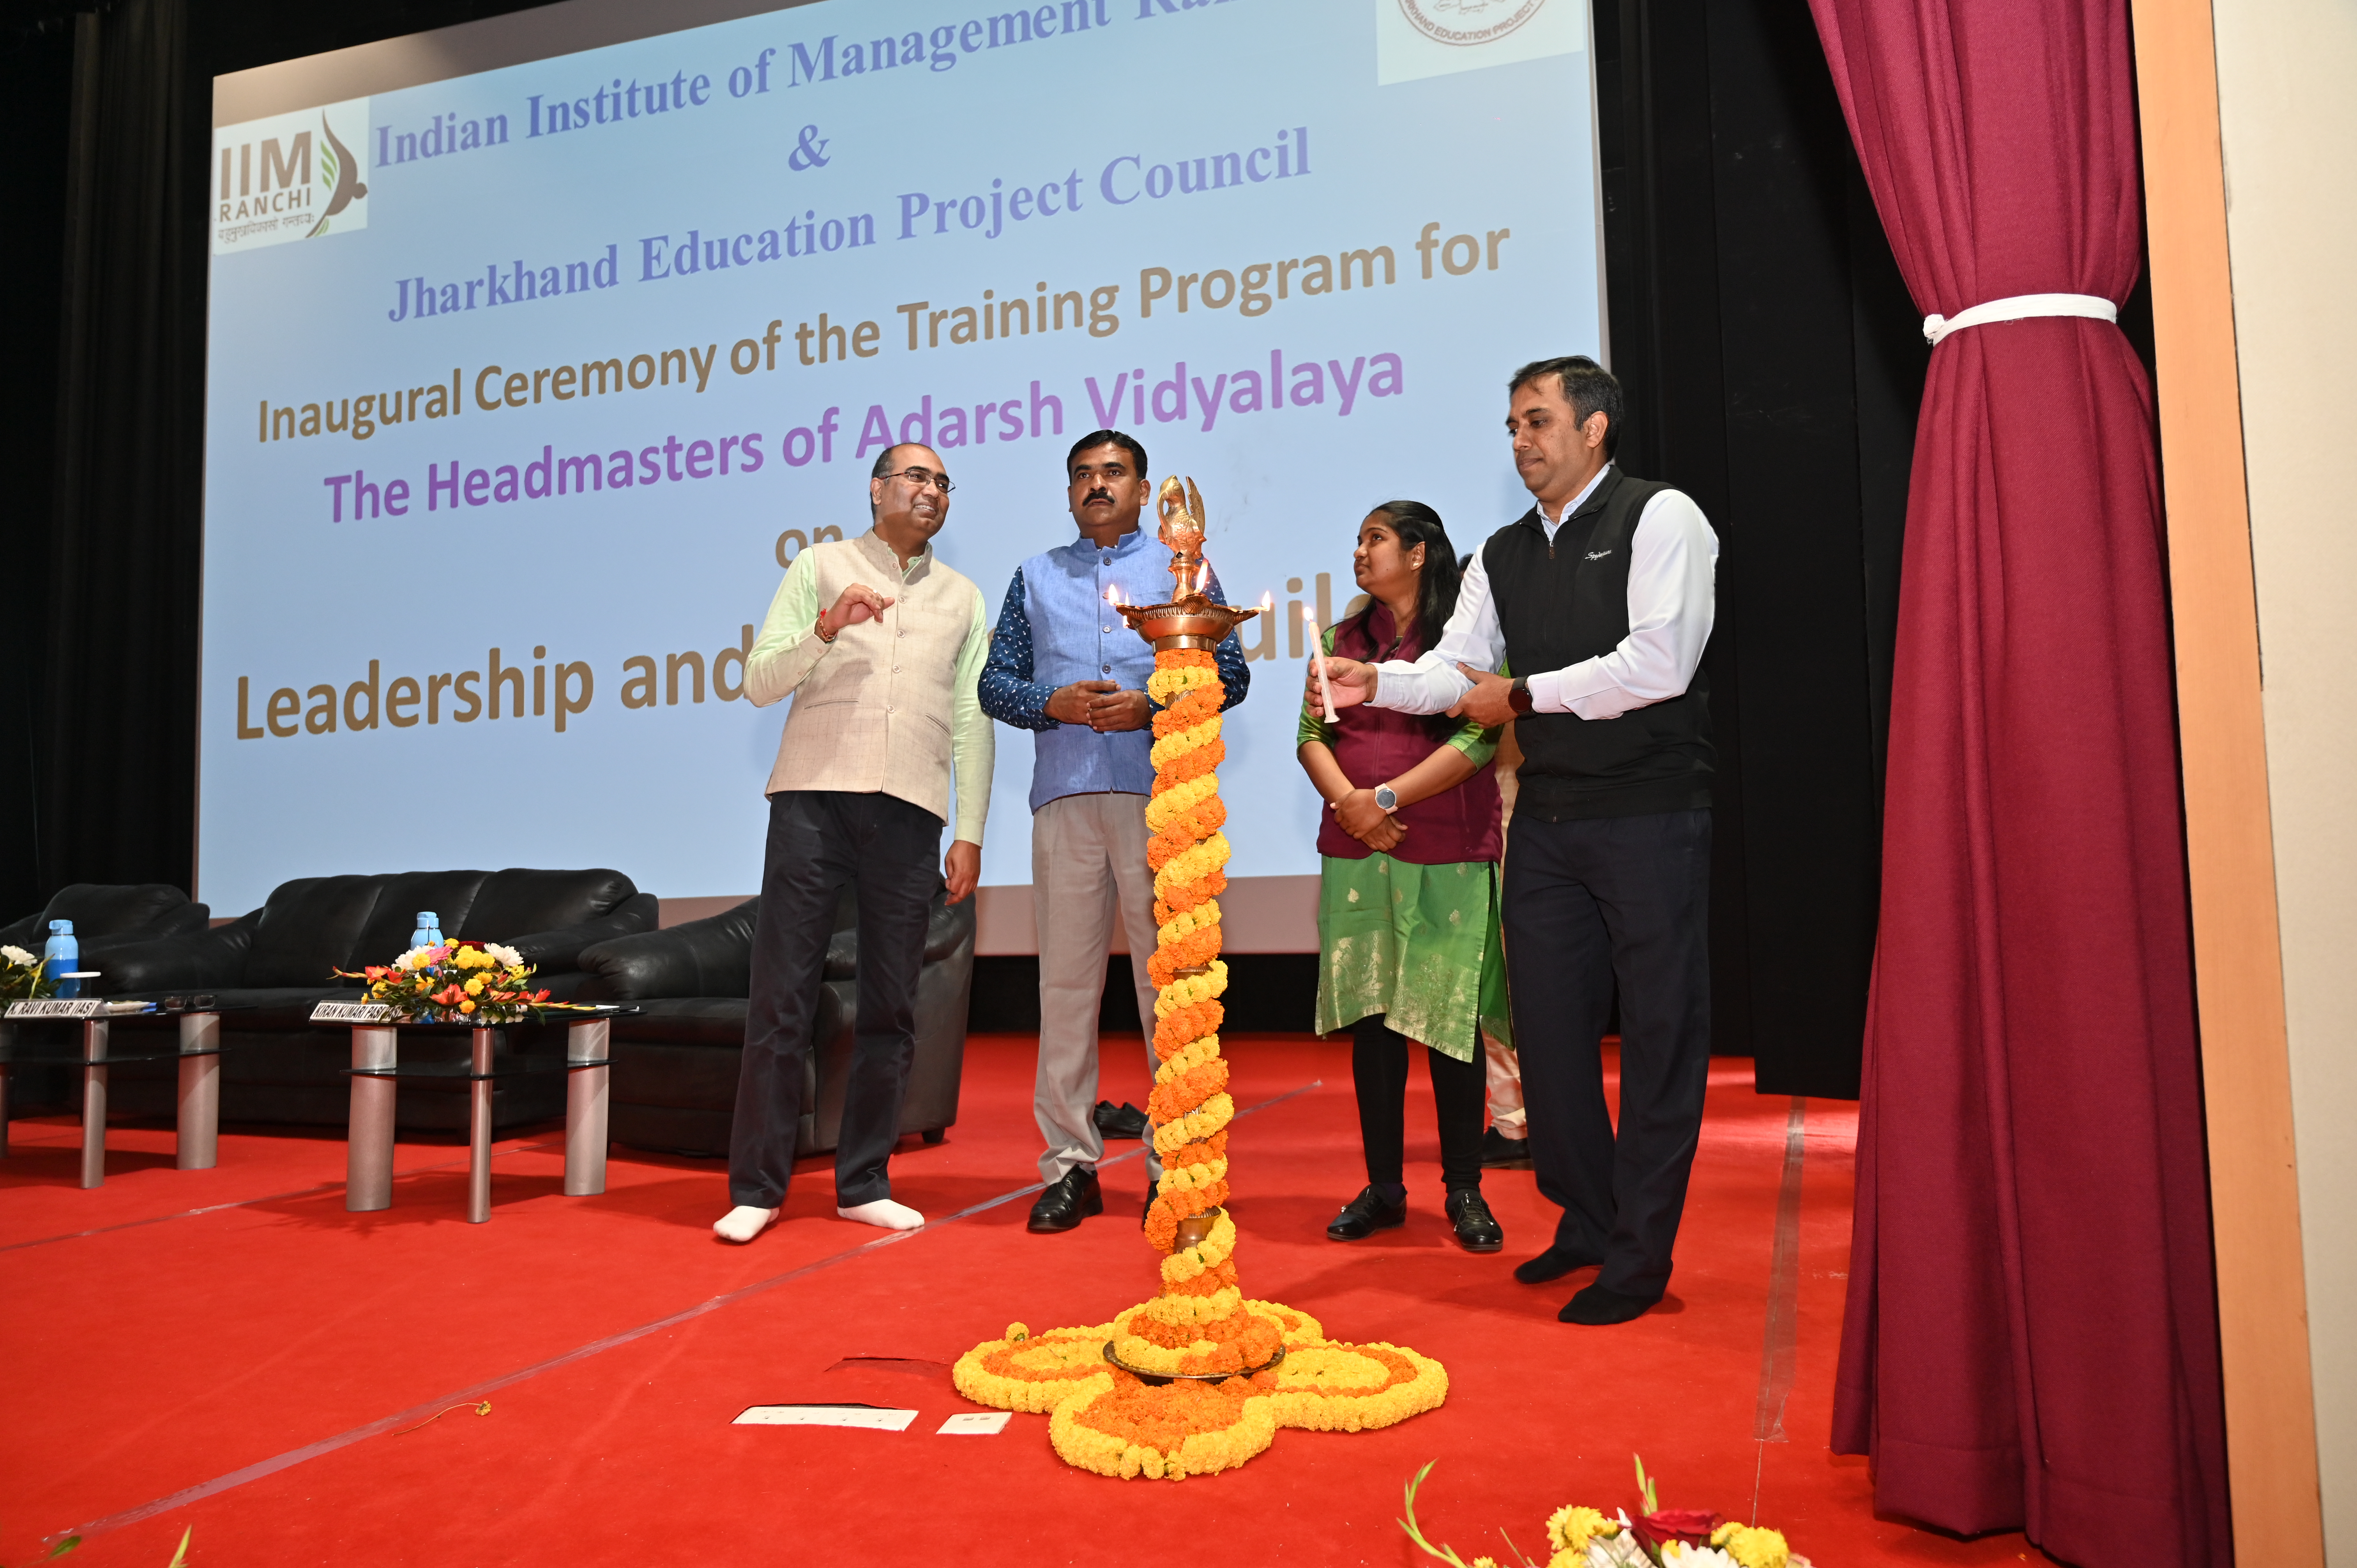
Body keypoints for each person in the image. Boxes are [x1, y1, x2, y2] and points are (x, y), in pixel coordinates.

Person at [1314, 357, 1718, 1324]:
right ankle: (1586, 1218)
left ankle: (1638, 1252)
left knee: (1661, 1033)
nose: (1521, 441)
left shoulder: (1663, 518)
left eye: (1537, 421)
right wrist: (1384, 684)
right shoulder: (1502, 550)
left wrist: (1527, 694)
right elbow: (1459, 668)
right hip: (1549, 819)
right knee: (1545, 1028)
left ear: (1594, 430)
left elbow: (1660, 661)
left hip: (1651, 810)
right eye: (1510, 426)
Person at [714, 443, 995, 1244]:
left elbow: (973, 721)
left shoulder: (963, 597)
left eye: (942, 482)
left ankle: (863, 1179)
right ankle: (758, 1186)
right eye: (916, 476)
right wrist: (825, 630)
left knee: (891, 1004)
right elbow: (759, 678)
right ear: (877, 490)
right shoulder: (820, 565)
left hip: (909, 812)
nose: (931, 490)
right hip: (812, 800)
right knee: (782, 996)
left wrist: (969, 829)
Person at [979, 429, 1251, 1232]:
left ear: (1142, 488)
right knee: (1064, 989)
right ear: (1069, 494)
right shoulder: (1034, 576)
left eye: (1113, 473)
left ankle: (1175, 1167)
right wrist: (1048, 703)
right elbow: (996, 683)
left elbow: (1231, 675)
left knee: (1168, 990)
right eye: (1082, 476)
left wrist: (1154, 706)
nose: (1097, 485)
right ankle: (1070, 1164)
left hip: (1159, 797)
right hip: (1064, 798)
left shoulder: (1185, 570)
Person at [1299, 501, 1511, 1254]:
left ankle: (1465, 1189)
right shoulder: (1338, 640)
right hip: (1356, 848)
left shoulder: (1468, 637)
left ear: (1420, 554)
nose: (1360, 551)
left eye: (1376, 539)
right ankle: (1384, 1188)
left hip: (1444, 844)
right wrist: (1354, 807)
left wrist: (1387, 799)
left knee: (1447, 1024)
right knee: (1375, 1024)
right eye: (1357, 538)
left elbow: (1480, 737)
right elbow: (1310, 736)